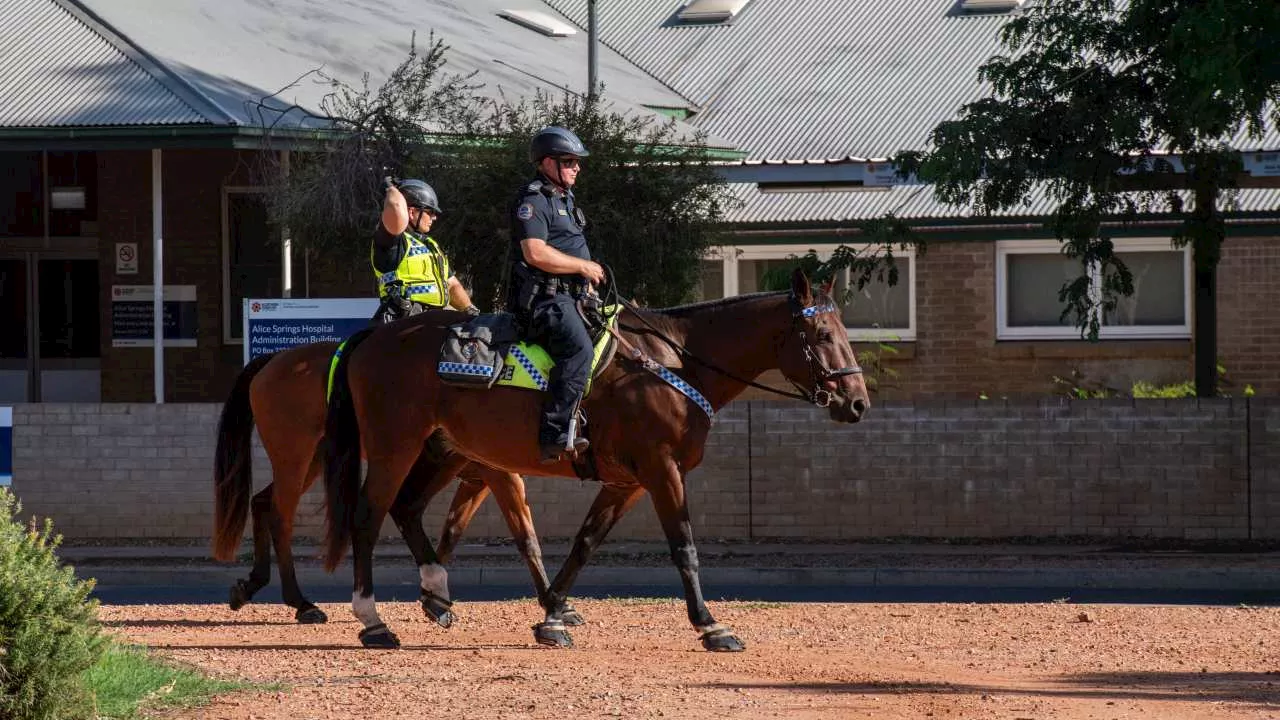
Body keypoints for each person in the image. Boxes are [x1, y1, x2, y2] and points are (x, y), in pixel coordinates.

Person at [506, 127, 605, 463]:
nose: (577, 167)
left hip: (572, 299)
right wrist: (583, 266)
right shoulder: (532, 201)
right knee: (579, 348)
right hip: (543, 303)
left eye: (577, 161)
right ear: (547, 162)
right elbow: (535, 252)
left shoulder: (564, 198)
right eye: (569, 161)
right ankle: (556, 433)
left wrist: (586, 281)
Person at [372, 177, 479, 325]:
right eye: (429, 211)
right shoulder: (392, 241)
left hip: (435, 319)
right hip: (402, 321)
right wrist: (390, 189)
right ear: (411, 212)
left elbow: (452, 285)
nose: (434, 218)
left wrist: (471, 312)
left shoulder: (431, 246)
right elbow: (395, 206)